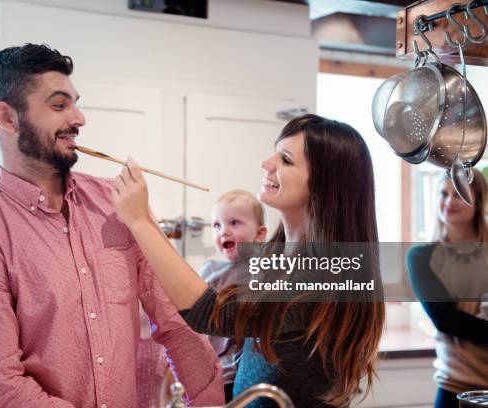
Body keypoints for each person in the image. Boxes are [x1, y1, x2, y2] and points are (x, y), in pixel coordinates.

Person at [0, 44, 224, 408]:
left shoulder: (119, 205)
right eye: (59, 105)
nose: (79, 118)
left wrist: (212, 402)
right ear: (8, 119)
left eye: (75, 103)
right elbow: (0, 389)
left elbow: (179, 325)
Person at [110, 114, 386, 407]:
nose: (266, 163)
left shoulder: (323, 276)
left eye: (286, 159)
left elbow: (208, 313)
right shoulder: (277, 256)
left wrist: (140, 220)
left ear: (323, 186)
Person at [407, 169, 488, 408]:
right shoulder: (421, 257)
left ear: (479, 200)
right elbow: (446, 319)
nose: (449, 201)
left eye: (459, 194)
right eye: (443, 194)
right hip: (456, 388)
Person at [202, 190, 267, 401]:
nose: (224, 231)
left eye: (234, 223)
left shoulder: (263, 271)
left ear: (259, 234)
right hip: (211, 372)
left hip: (241, 374)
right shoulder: (209, 272)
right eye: (217, 225)